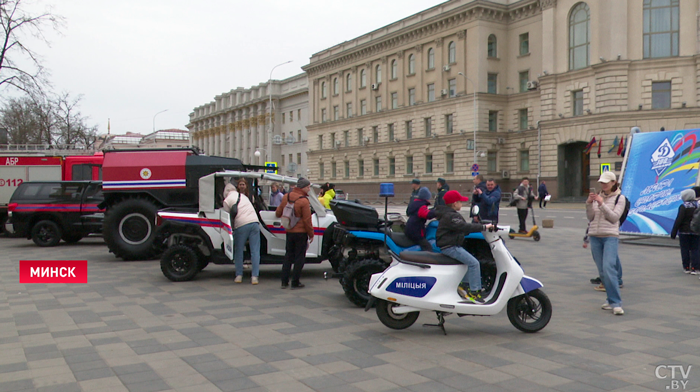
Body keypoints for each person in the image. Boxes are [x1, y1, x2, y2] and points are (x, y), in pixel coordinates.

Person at [434, 190, 493, 304]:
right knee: (474, 263)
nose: (462, 204)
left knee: (467, 262)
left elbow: (460, 229)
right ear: (455, 204)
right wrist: (484, 227)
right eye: (460, 202)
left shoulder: (448, 214)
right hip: (450, 247)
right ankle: (474, 292)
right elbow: (464, 226)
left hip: (451, 245)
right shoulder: (451, 216)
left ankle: (464, 284)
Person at [586, 171, 626, 315]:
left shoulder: (620, 198)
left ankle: (616, 303)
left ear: (613, 182)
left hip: (610, 236)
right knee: (602, 271)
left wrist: (602, 204)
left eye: (606, 182)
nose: (603, 185)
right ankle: (610, 300)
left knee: (609, 267)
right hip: (595, 236)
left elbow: (614, 218)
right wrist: (589, 204)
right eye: (601, 182)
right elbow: (591, 217)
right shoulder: (598, 196)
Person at [275, 177, 314, 289]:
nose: (309, 189)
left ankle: (284, 281)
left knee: (288, 256)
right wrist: (311, 234)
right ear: (303, 187)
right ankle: (295, 282)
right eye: (308, 187)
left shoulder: (286, 197)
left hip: (289, 232)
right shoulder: (304, 201)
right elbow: (307, 220)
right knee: (299, 257)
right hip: (301, 234)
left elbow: (278, 213)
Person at [223, 183, 261, 285]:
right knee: (255, 251)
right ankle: (254, 277)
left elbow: (227, 217)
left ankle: (239, 275)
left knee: (239, 250)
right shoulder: (243, 196)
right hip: (254, 223)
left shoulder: (227, 201)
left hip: (241, 225)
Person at [584, 222, 623, 290]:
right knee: (602, 258)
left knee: (608, 260)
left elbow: (618, 216)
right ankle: (607, 280)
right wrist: (586, 239)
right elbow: (591, 220)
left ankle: (611, 280)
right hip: (595, 233)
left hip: (610, 232)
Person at [671, 189, 700, 274]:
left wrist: (674, 232)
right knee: (695, 249)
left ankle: (686, 267)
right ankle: (695, 267)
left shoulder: (684, 206)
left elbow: (679, 220)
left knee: (685, 249)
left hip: (684, 231)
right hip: (696, 231)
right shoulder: (697, 205)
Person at [404, 187, 436, 251]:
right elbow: (426, 214)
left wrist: (432, 210)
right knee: (427, 246)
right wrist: (436, 212)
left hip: (410, 228)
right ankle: (427, 258)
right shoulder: (421, 205)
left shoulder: (416, 204)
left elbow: (422, 212)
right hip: (415, 231)